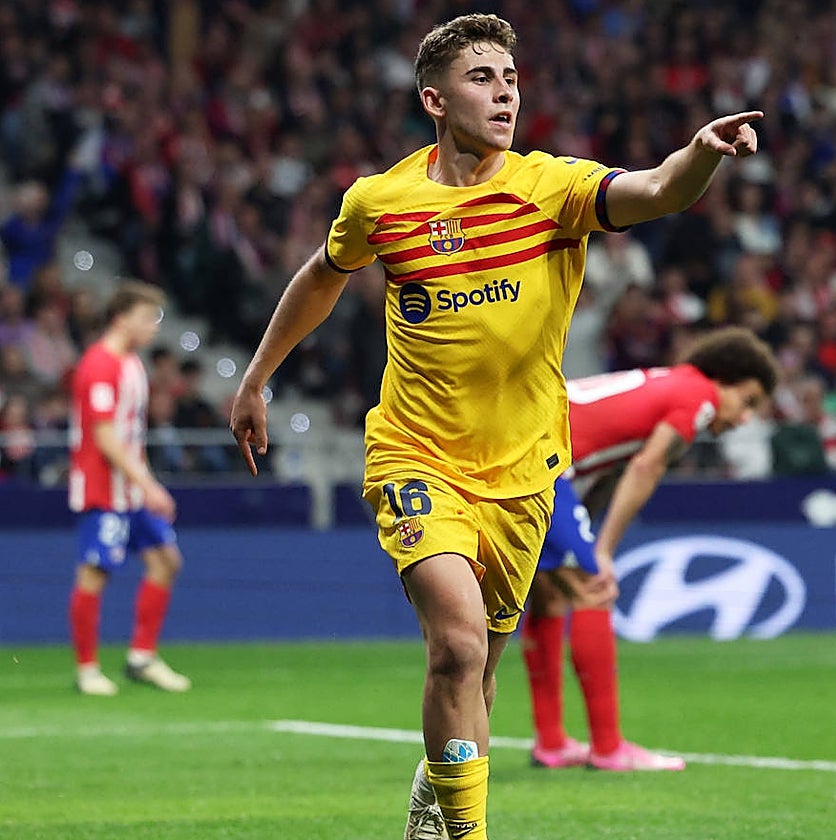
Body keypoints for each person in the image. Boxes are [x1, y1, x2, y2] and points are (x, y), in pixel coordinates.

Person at [227, 13, 761, 840]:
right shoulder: (380, 201)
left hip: (523, 470)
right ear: (435, 100)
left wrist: (700, 153)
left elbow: (658, 190)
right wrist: (257, 377)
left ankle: (436, 791)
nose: (506, 93)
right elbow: (323, 276)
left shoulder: (553, 188)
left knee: (478, 677)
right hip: (414, 455)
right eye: (483, 78)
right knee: (458, 646)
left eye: (512, 79)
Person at [522, 326, 778, 771]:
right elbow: (647, 466)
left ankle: (552, 741)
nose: (744, 418)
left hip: (520, 447)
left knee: (549, 598)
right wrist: (602, 553)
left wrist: (586, 539)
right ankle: (608, 748)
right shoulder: (699, 395)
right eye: (747, 401)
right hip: (537, 461)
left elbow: (612, 470)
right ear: (724, 378)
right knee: (594, 589)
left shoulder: (666, 385)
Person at [68, 281, 192, 695]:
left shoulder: (133, 365)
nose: (154, 326)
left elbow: (130, 436)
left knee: (166, 561)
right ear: (121, 319)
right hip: (103, 488)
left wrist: (143, 483)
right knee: (95, 572)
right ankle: (87, 670)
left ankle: (142, 657)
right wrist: (150, 485)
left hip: (132, 488)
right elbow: (105, 438)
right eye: (147, 318)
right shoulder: (99, 365)